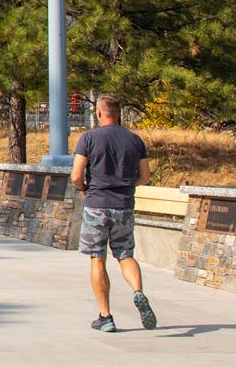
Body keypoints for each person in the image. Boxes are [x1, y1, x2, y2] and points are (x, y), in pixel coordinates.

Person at [70, 94, 158, 333]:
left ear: (99, 112)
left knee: (97, 258)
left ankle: (106, 316)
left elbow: (77, 175)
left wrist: (84, 189)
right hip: (124, 206)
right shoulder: (135, 140)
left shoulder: (88, 138)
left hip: (97, 205)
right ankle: (138, 292)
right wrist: (127, 185)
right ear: (118, 113)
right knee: (125, 254)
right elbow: (146, 177)